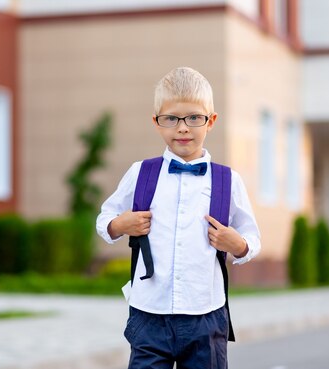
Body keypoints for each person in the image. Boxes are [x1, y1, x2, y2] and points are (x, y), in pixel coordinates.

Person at [96, 67, 261, 369]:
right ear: (156, 122)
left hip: (205, 315)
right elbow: (105, 217)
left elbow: (252, 239)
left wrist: (236, 243)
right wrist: (121, 224)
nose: (182, 128)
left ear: (211, 121)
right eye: (171, 118)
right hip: (148, 313)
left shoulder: (227, 180)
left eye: (193, 118)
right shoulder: (141, 173)